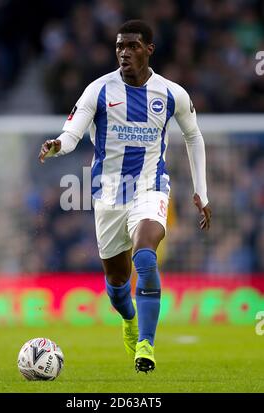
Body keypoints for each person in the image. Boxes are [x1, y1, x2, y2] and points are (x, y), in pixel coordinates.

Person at [38, 20, 212, 373]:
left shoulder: (171, 94)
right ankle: (129, 318)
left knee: (146, 255)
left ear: (149, 49)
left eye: (132, 46)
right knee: (117, 286)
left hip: (150, 188)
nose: (124, 52)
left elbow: (194, 137)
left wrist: (200, 192)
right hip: (108, 196)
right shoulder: (99, 90)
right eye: (119, 46)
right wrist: (58, 145)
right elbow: (72, 133)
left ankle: (145, 345)